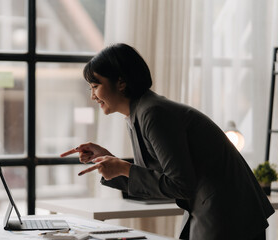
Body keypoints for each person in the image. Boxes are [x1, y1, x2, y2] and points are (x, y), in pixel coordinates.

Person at [60, 43, 274, 240]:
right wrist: (110, 161)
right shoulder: (139, 113)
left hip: (228, 215)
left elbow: (180, 185)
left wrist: (123, 167)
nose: (92, 96)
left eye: (95, 86)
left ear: (121, 82)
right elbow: (155, 181)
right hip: (218, 211)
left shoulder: (153, 113)